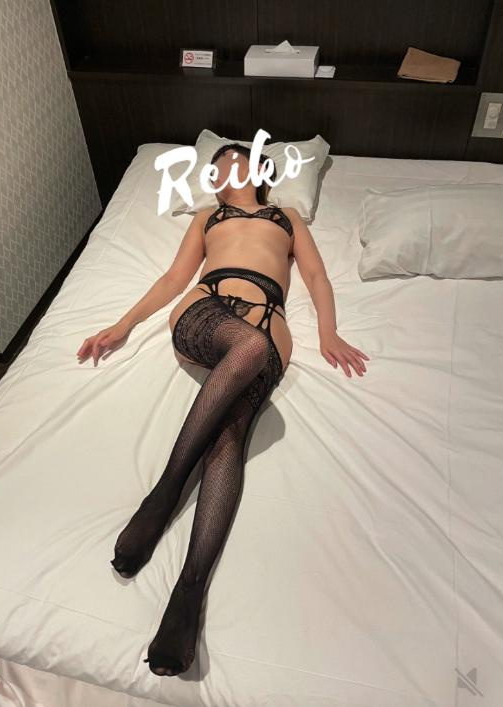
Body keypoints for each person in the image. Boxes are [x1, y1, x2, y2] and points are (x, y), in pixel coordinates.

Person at [76, 143, 369, 676]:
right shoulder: (208, 218)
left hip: (269, 316)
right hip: (206, 308)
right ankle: (166, 492)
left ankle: (188, 595)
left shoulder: (287, 216)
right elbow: (173, 279)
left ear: (260, 170)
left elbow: (316, 276)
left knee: (231, 435)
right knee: (250, 348)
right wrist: (123, 325)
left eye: (234, 160)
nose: (223, 169)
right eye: (216, 166)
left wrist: (328, 332)